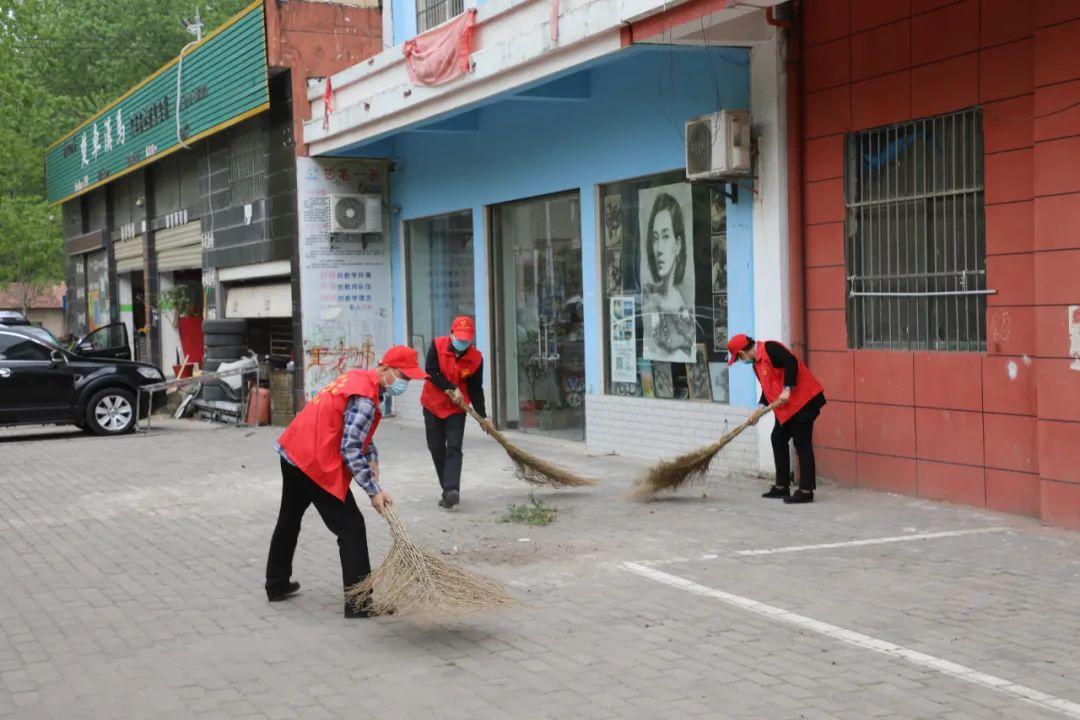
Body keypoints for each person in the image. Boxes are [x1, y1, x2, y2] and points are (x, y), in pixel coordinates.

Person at [265, 345, 428, 617]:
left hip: (293, 451)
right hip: (313, 463)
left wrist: (373, 459)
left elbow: (356, 431)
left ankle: (276, 584)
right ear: (385, 369)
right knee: (351, 528)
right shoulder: (366, 398)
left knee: (289, 519)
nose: (405, 383)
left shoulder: (358, 379)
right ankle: (359, 604)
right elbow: (350, 448)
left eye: (410, 380)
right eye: (403, 376)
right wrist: (374, 491)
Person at [727, 333, 826, 504]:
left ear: (742, 354)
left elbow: (791, 362)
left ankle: (806, 490)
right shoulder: (756, 365)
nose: (740, 361)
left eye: (738, 358)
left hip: (804, 401)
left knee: (802, 443)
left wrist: (788, 387)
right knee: (778, 438)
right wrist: (759, 410)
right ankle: (781, 486)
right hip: (788, 408)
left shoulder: (770, 348)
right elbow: (768, 389)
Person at [421, 316, 493, 509]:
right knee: (436, 447)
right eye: (459, 337)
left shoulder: (476, 358)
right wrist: (452, 388)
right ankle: (447, 489)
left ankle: (452, 490)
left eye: (466, 339)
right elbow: (431, 371)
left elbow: (475, 388)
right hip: (433, 404)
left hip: (456, 409)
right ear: (451, 334)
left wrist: (483, 416)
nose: (462, 342)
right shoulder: (437, 346)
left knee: (454, 447)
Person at [642, 192, 695, 361]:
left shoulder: (681, 309)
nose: (658, 249)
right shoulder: (650, 295)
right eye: (655, 238)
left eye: (665, 237)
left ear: (678, 244)